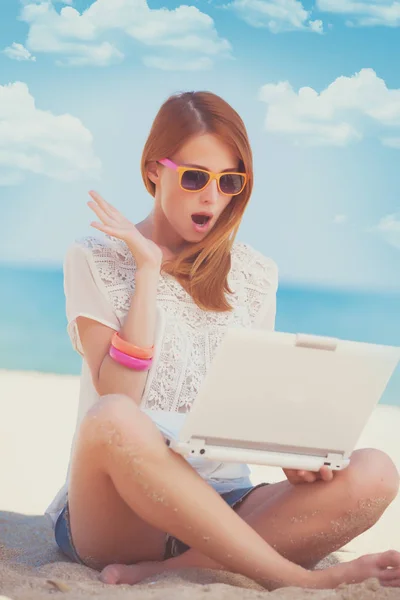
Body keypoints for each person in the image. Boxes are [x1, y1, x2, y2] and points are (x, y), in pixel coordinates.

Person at [46, 90, 400, 590]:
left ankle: (175, 570)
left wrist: (293, 459)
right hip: (120, 514)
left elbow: (252, 402)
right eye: (195, 177)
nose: (212, 198)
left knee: (377, 472)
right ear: (153, 171)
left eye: (229, 182)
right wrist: (147, 271)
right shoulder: (94, 257)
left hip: (227, 502)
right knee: (113, 419)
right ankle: (294, 579)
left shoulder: (256, 274)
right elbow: (117, 396)